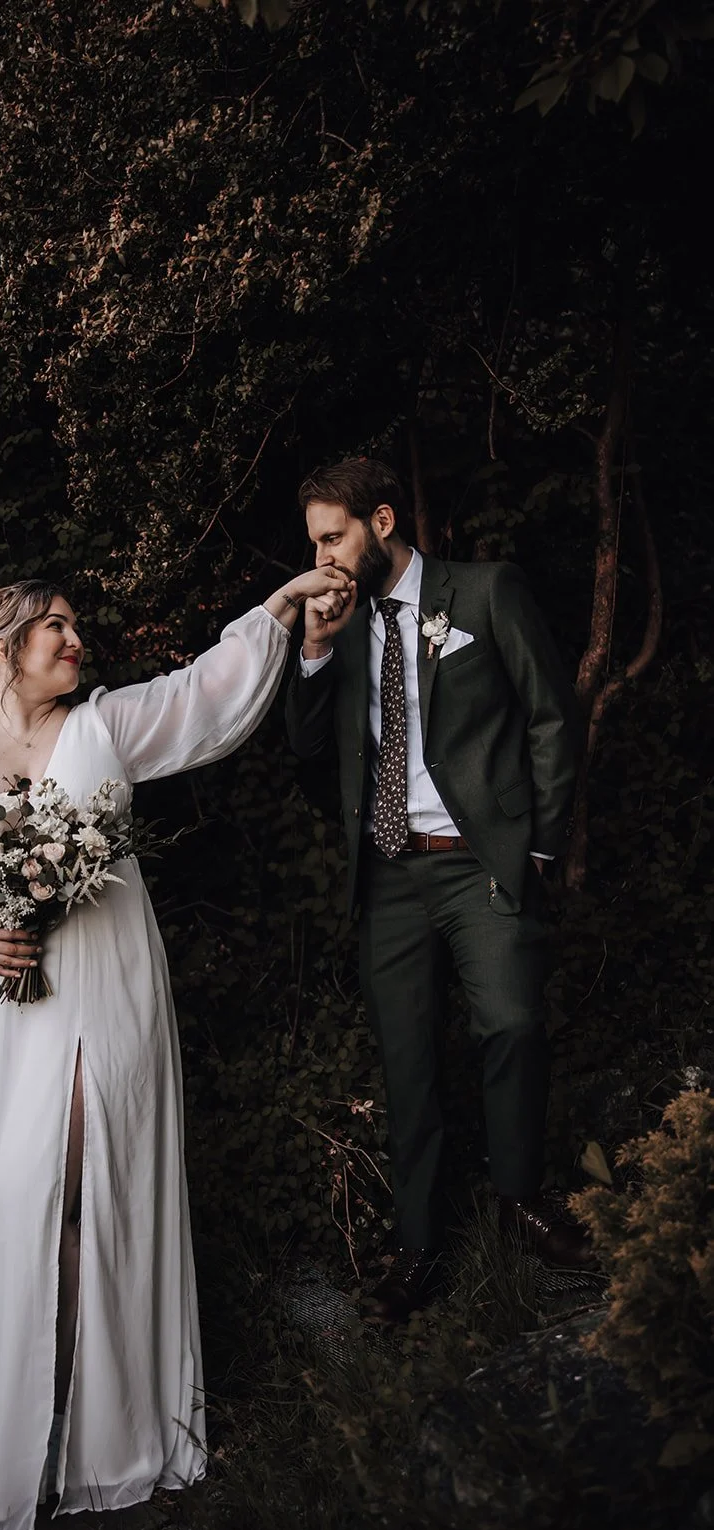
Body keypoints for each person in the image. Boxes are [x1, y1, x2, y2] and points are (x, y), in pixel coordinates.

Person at [0, 563, 353, 1530]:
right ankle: (19, 1444)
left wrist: (275, 609)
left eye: (75, 625)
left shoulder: (104, 727)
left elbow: (205, 699)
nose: (74, 640)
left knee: (92, 1198)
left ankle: (102, 1444)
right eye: (54, 626)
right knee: (13, 1203)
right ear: (3, 648)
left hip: (100, 1000)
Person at [285, 457, 593, 1324]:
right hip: (386, 875)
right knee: (407, 1059)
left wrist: (534, 848)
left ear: (381, 521)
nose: (325, 558)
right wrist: (310, 643)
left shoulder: (485, 591)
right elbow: (307, 755)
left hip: (479, 859)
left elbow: (549, 717)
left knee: (512, 1023)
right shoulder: (336, 627)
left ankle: (521, 1202)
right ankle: (418, 1243)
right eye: (314, 543)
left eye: (333, 536)